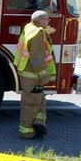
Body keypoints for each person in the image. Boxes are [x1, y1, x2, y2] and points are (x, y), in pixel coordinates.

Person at [13, 10, 56, 139]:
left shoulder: (29, 27)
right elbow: (37, 57)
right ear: (41, 21)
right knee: (31, 103)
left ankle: (38, 123)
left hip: (28, 72)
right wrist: (44, 74)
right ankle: (26, 132)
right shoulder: (37, 33)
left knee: (39, 100)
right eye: (47, 19)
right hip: (32, 74)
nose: (49, 21)